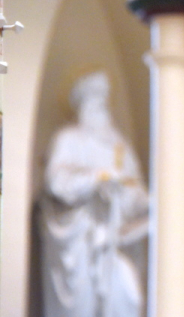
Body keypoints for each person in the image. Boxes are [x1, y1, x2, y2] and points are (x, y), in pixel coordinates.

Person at [40, 69, 150, 317]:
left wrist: (148, 202)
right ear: (82, 106)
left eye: (103, 100)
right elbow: (56, 183)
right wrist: (98, 178)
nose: (100, 106)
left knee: (129, 298)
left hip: (115, 239)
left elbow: (133, 190)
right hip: (82, 238)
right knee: (84, 306)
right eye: (94, 100)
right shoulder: (68, 138)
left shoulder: (118, 145)